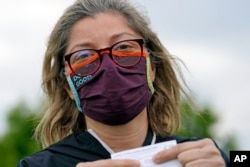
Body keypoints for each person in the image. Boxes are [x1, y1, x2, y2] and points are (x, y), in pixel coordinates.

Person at [17, 0, 229, 166]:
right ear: (68, 86)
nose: (108, 66)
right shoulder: (38, 165)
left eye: (124, 47)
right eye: (84, 56)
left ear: (152, 68)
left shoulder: (198, 155)